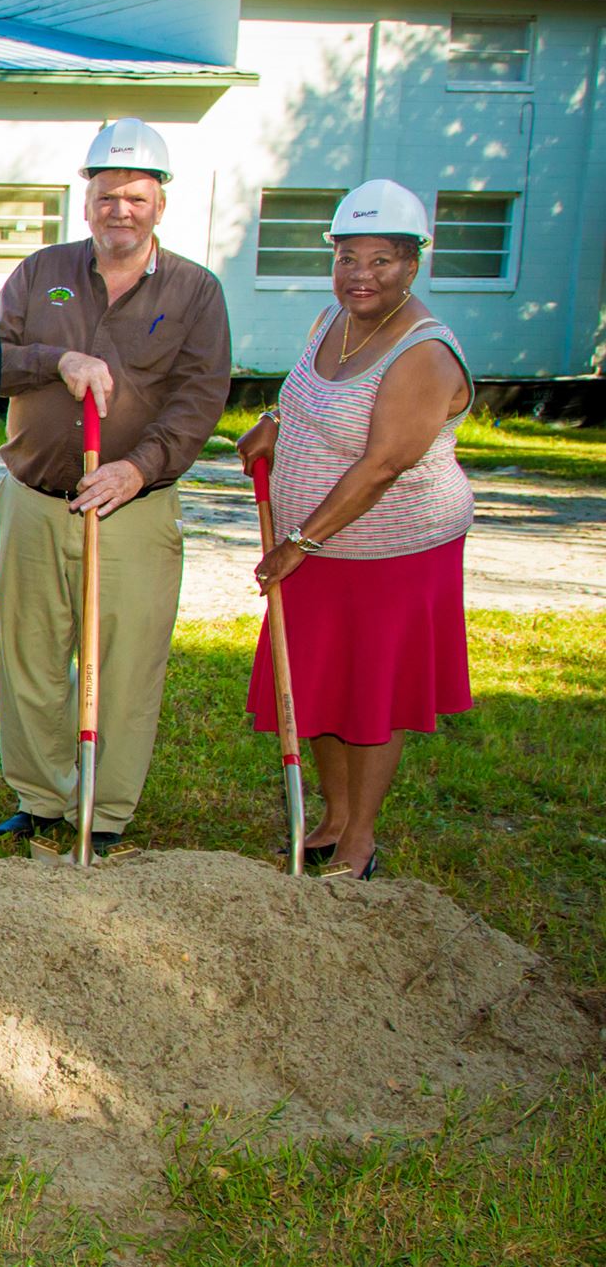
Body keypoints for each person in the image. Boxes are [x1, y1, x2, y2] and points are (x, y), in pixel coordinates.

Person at [0, 118, 231, 855]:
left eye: (134, 196)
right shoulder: (41, 273)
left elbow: (200, 397)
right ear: (85, 200)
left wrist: (138, 468)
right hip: (34, 497)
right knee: (29, 657)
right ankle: (43, 801)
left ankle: (109, 811)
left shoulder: (195, 290)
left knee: (125, 663)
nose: (118, 209)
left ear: (160, 202)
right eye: (104, 196)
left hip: (132, 506)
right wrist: (55, 358)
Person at [239, 180, 473, 881]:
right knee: (320, 684)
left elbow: (382, 465)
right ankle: (333, 815)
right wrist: (273, 423)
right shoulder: (332, 319)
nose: (360, 276)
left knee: (372, 692)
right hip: (318, 550)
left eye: (382, 261)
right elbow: (305, 395)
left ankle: (359, 840)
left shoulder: (425, 353)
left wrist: (298, 542)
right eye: (348, 258)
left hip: (391, 554)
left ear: (414, 264)